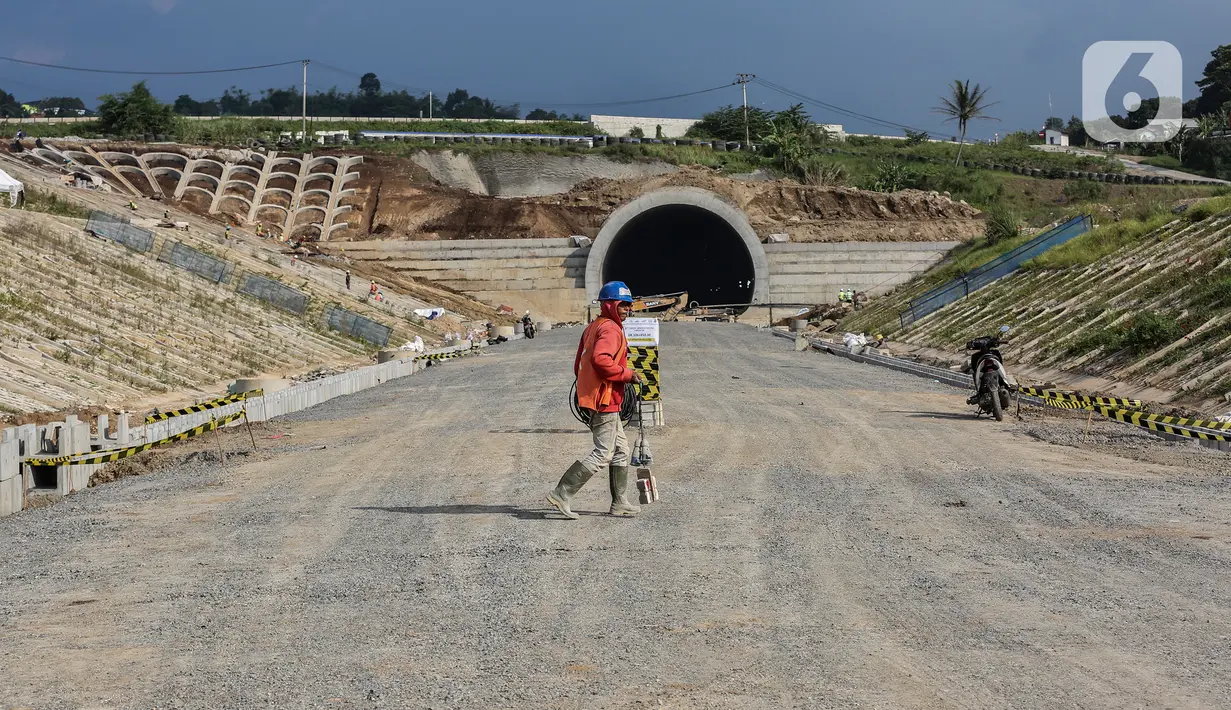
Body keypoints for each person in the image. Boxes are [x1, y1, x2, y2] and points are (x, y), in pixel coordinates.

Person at [547, 280, 646, 520]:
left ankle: (619, 502)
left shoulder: (594, 326)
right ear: (610, 304)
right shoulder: (611, 329)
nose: (627, 309)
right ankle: (562, 493)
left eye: (629, 305)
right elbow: (601, 360)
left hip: (596, 396)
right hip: (605, 399)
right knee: (604, 452)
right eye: (622, 305)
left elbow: (578, 365)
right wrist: (628, 375)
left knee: (621, 449)